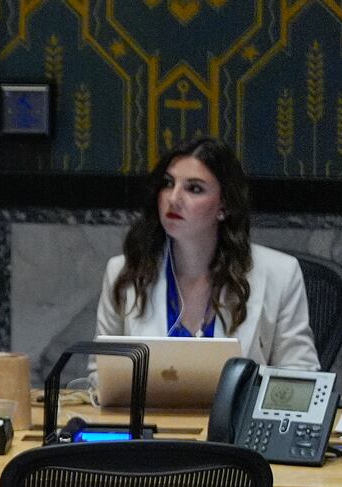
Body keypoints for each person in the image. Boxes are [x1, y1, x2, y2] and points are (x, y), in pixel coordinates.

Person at [96, 136, 319, 370]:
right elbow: (101, 376)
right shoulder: (124, 272)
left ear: (224, 206)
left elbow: (301, 375)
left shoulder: (281, 274)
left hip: (241, 408)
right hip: (148, 408)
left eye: (194, 188)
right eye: (168, 183)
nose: (173, 199)